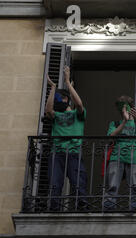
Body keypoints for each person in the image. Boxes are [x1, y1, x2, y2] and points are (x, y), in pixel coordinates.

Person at [45, 66, 88, 211]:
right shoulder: (56, 116)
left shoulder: (77, 114)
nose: (59, 100)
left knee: (78, 182)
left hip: (74, 152)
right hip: (57, 153)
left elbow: (80, 104)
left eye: (61, 97)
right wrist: (53, 88)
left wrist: (68, 83)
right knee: (55, 183)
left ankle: (81, 207)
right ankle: (54, 208)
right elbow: (48, 110)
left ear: (67, 99)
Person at [104, 96, 136, 211]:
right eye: (121, 108)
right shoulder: (115, 123)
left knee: (135, 184)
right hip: (116, 156)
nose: (123, 110)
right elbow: (110, 137)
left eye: (126, 107)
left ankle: (135, 206)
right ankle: (109, 205)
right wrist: (124, 121)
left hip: (135, 156)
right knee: (113, 183)